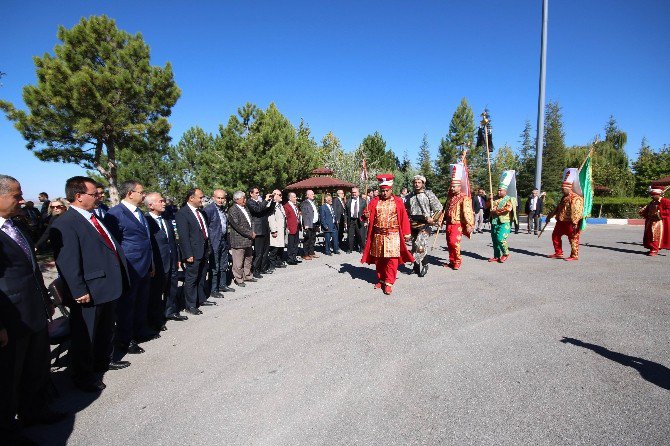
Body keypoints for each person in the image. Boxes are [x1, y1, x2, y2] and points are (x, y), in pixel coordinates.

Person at [1, 175, 65, 443]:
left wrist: (46, 301)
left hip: (34, 309)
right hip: (10, 317)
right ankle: (7, 428)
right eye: (16, 195)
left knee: (35, 367)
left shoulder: (16, 226)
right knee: (8, 377)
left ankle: (34, 411)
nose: (21, 198)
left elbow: (31, 268)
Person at [51, 176, 130, 392]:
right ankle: (83, 376)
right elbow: (67, 261)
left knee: (105, 329)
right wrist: (78, 289)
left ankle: (103, 362)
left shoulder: (93, 217)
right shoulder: (66, 223)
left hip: (106, 286)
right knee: (86, 335)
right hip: (89, 289)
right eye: (94, 194)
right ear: (78, 196)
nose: (99, 197)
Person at [105, 180, 155, 359]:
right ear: (130, 193)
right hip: (129, 267)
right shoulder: (115, 214)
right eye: (141, 192)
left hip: (144, 265)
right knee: (127, 306)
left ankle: (139, 330)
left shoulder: (138, 212)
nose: (144, 195)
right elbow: (114, 245)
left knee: (141, 302)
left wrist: (150, 264)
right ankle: (126, 340)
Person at [361, 174, 414, 295]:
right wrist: (366, 215)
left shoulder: (398, 201)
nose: (384, 193)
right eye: (382, 190)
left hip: (393, 235)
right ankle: (381, 279)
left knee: (391, 259)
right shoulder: (375, 201)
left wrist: (406, 233)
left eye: (387, 190)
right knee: (379, 260)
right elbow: (365, 214)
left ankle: (389, 282)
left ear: (391, 189)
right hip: (378, 235)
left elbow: (404, 218)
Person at [145, 192, 187, 330]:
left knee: (172, 287)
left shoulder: (166, 219)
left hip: (172, 260)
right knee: (157, 292)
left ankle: (170, 311)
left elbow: (173, 241)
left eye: (164, 201)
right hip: (158, 263)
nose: (164, 203)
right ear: (151, 205)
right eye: (160, 201)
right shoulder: (146, 221)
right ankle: (156, 319)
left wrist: (178, 257)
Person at [175, 188, 211, 315]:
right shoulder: (182, 213)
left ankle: (200, 299)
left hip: (203, 249)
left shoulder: (200, 212)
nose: (202, 199)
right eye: (200, 197)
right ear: (191, 198)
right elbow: (183, 236)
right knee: (191, 278)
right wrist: (188, 254)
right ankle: (190, 305)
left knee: (202, 275)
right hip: (193, 252)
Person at [405, 174, 442, 276]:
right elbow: (405, 209)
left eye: (419, 182)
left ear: (423, 183)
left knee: (420, 245)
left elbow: (439, 208)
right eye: (415, 182)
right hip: (413, 223)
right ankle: (416, 267)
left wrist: (433, 219)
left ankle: (425, 264)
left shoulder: (429, 194)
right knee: (414, 246)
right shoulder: (409, 196)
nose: (416, 184)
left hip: (425, 224)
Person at [439, 165, 474, 270]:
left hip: (457, 224)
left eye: (454, 186)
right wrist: (441, 219)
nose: (452, 188)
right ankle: (452, 261)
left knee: (454, 242)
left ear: (459, 187)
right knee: (449, 243)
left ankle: (457, 260)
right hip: (449, 223)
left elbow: (467, 212)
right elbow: (445, 210)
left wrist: (469, 224)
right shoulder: (450, 198)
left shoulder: (464, 198)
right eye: (451, 186)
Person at [546, 168, 584, 261]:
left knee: (573, 238)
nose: (562, 190)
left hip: (570, 222)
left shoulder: (576, 198)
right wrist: (550, 216)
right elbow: (558, 208)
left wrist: (575, 222)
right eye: (562, 188)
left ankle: (574, 255)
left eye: (564, 189)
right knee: (555, 235)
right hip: (561, 221)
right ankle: (558, 252)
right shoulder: (564, 197)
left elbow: (577, 211)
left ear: (569, 188)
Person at [203, 189, 234, 297]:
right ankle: (213, 289)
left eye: (222, 198)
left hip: (223, 241)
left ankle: (222, 285)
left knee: (223, 264)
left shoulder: (222, 209)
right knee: (214, 267)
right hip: (214, 242)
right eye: (218, 198)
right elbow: (205, 227)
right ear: (213, 198)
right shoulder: (209, 210)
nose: (220, 200)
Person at [486, 171, 517, 263]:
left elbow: (508, 209)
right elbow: (486, 206)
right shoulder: (495, 199)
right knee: (495, 240)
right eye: (498, 190)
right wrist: (489, 199)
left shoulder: (510, 199)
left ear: (505, 191)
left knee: (500, 239)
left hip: (504, 222)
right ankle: (496, 256)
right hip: (494, 222)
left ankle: (506, 253)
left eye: (501, 190)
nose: (499, 192)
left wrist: (495, 211)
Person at [228, 191, 256, 286]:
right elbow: (238, 226)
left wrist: (252, 231)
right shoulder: (233, 210)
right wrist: (250, 233)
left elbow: (250, 221)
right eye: (243, 198)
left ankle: (247, 276)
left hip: (248, 239)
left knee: (248, 259)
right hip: (239, 240)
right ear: (237, 200)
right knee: (238, 262)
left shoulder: (246, 208)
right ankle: (238, 279)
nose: (245, 199)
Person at [247, 187, 276, 276]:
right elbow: (258, 210)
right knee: (258, 252)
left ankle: (263, 268)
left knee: (265, 251)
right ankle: (255, 270)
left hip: (265, 229)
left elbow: (268, 211)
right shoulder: (250, 202)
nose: (258, 194)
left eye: (258, 192)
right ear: (251, 194)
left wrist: (273, 201)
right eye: (256, 193)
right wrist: (266, 200)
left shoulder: (259, 202)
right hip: (258, 230)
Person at [639, 186, 670, 256]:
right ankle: (651, 248)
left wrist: (659, 213)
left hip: (658, 222)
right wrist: (642, 212)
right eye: (651, 195)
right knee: (649, 235)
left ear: (658, 194)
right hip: (650, 221)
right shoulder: (652, 202)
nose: (651, 196)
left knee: (655, 235)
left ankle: (654, 250)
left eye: (653, 195)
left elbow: (668, 210)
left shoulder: (665, 201)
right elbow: (647, 211)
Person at [267, 189, 287, 267]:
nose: (281, 196)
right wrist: (273, 230)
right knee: (274, 247)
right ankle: (272, 263)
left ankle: (279, 262)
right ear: (275, 195)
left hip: (281, 229)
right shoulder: (271, 204)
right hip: (276, 230)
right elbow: (271, 218)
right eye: (279, 195)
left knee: (280, 247)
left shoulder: (280, 205)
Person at [346, 187, 367, 253]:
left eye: (355, 192)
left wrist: (366, 221)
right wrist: (345, 222)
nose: (354, 194)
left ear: (358, 193)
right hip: (351, 220)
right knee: (350, 235)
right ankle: (350, 249)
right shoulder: (348, 201)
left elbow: (366, 212)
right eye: (353, 192)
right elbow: (346, 212)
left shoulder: (363, 201)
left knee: (361, 235)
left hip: (360, 220)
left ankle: (362, 249)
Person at [300, 189, 319, 260]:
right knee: (307, 239)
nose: (313, 195)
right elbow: (304, 215)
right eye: (312, 194)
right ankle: (305, 254)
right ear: (307, 195)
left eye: (313, 194)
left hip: (314, 223)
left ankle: (311, 252)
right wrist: (306, 224)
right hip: (308, 224)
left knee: (313, 239)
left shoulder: (313, 202)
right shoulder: (305, 203)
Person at [283, 192, 301, 265]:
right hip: (291, 227)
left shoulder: (295, 206)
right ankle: (290, 258)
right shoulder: (286, 206)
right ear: (290, 198)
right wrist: (287, 227)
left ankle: (294, 257)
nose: (295, 198)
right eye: (294, 197)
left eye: (295, 197)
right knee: (291, 244)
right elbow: (285, 218)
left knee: (296, 243)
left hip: (296, 226)